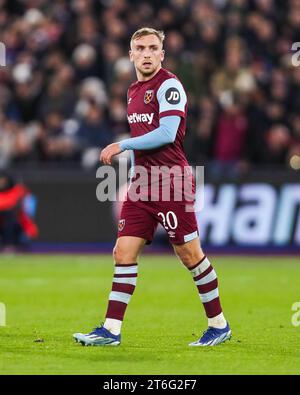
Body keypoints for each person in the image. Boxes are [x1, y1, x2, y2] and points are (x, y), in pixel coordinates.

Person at [73, 28, 231, 347]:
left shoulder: (169, 85)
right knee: (123, 252)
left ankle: (219, 324)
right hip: (142, 183)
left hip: (171, 180)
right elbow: (146, 140)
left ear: (162, 54)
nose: (146, 53)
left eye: (153, 48)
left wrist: (122, 144)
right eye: (140, 48)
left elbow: (167, 133)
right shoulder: (132, 90)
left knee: (189, 254)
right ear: (131, 55)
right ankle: (111, 330)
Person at [0, 173, 39, 251]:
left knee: (9, 218)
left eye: (3, 182)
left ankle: (9, 246)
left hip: (18, 226)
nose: (1, 184)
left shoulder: (18, 191)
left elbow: (27, 206)